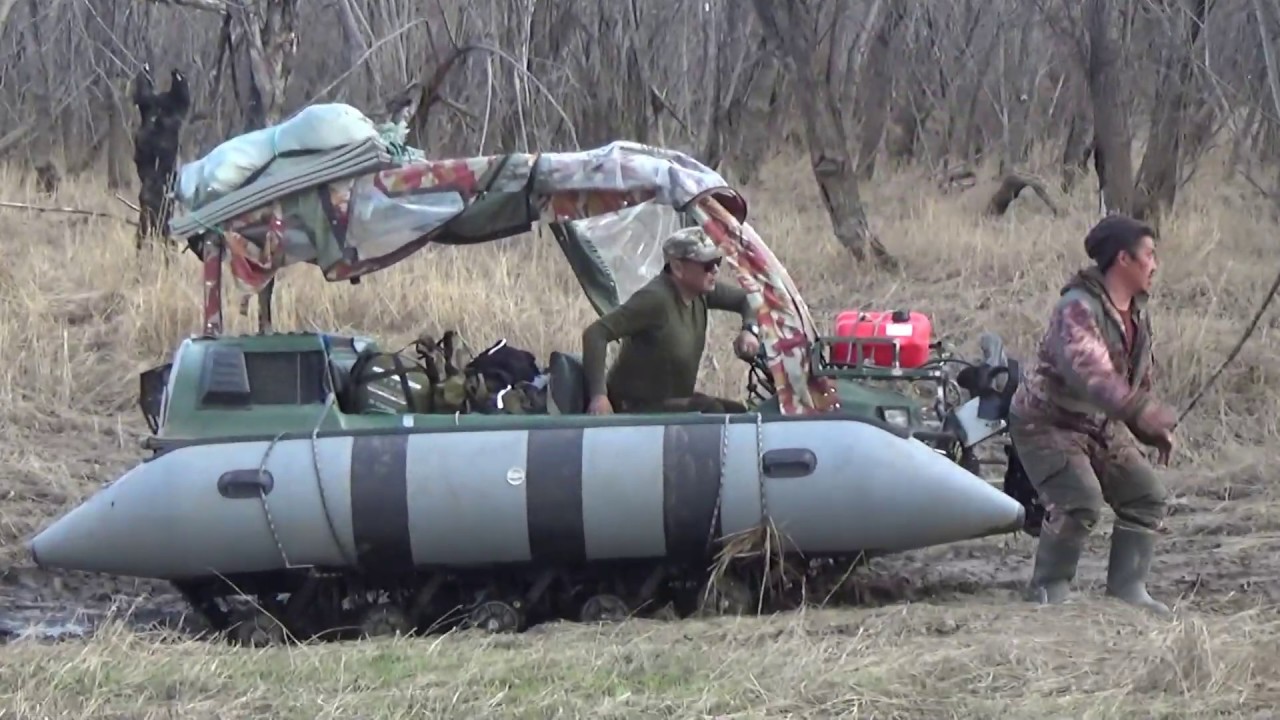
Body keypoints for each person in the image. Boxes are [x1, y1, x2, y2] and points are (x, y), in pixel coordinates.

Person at [1009, 213, 1178, 617]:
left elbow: (1136, 378)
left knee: (1145, 496)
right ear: (1124, 259)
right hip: (1046, 421)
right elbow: (1091, 374)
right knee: (1079, 501)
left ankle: (1128, 590)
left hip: (1096, 424)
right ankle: (1049, 591)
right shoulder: (1077, 308)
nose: (1155, 265)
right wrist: (1141, 412)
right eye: (1149, 255)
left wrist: (1145, 427)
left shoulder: (1135, 311)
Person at [582, 226, 761, 415]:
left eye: (717, 261)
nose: (715, 270)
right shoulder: (655, 299)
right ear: (677, 267)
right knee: (712, 411)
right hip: (635, 407)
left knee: (739, 413)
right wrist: (599, 396)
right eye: (707, 265)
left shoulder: (700, 292)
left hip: (673, 402)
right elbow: (596, 334)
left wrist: (750, 330)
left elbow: (747, 299)